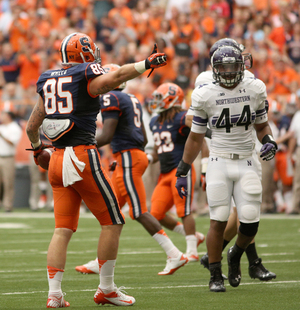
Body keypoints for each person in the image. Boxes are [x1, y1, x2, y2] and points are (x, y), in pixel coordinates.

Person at [25, 33, 167, 308]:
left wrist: (36, 150)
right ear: (85, 53)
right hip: (81, 157)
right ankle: (106, 288)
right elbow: (114, 79)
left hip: (55, 158)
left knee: (62, 229)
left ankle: (54, 295)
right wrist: (144, 63)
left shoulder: (48, 78)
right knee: (113, 222)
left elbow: (33, 126)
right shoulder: (84, 74)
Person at [175, 45, 278, 292]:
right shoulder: (205, 93)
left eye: (234, 66)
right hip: (219, 160)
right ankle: (214, 274)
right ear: (215, 68)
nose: (229, 72)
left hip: (247, 160)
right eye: (224, 67)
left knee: (251, 221)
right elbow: (196, 136)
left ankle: (235, 254)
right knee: (218, 219)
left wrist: (270, 141)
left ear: (242, 66)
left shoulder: (254, 88)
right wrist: (185, 165)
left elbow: (262, 126)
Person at [75, 64, 188, 278]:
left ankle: (174, 253)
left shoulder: (111, 98)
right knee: (111, 214)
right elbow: (144, 138)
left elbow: (107, 135)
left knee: (138, 211)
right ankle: (101, 261)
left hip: (128, 157)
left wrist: (81, 145)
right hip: (130, 157)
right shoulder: (132, 99)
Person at [147, 82, 205, 262]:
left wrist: (205, 166)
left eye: (159, 98)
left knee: (184, 210)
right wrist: (147, 159)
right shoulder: (154, 121)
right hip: (164, 173)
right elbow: (159, 150)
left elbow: (201, 138)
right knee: (155, 214)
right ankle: (195, 235)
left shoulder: (182, 117)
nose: (155, 102)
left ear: (172, 99)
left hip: (181, 170)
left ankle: (192, 250)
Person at [0, 110, 22, 212]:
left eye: (3, 115)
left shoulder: (15, 128)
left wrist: (2, 135)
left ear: (8, 116)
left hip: (8, 157)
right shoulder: (2, 127)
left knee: (8, 183)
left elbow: (12, 143)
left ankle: (8, 205)